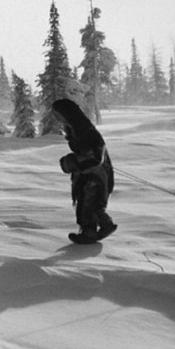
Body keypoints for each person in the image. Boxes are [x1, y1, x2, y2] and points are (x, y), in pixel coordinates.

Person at [52, 99, 117, 243]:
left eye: (59, 115)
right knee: (87, 203)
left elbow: (94, 157)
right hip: (88, 175)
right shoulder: (75, 130)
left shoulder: (85, 131)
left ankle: (92, 231)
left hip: (95, 175)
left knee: (89, 204)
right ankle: (95, 230)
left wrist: (72, 162)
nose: (58, 119)